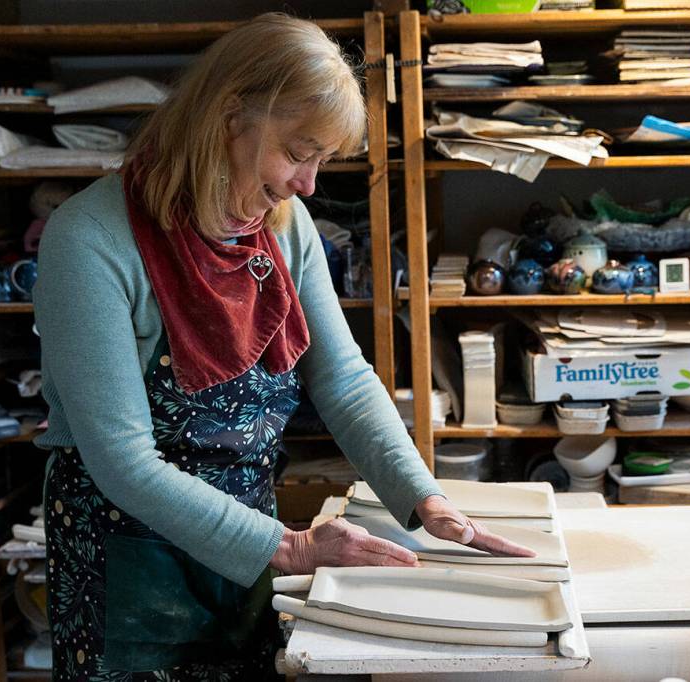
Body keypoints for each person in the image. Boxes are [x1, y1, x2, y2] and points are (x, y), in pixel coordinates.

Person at [33, 13, 531, 681]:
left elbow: (344, 380)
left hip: (247, 550)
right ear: (230, 116)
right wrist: (291, 546)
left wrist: (422, 498)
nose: (310, 185)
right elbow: (122, 461)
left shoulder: (284, 226)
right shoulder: (89, 240)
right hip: (127, 565)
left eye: (322, 161)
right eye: (300, 152)